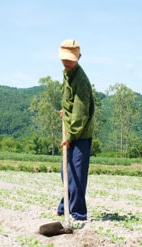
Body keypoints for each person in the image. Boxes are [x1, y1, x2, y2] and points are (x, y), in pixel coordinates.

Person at [56, 39, 95, 221]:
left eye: (70, 59)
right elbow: (71, 103)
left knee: (76, 174)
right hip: (72, 131)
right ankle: (66, 208)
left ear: (79, 57)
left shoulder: (80, 80)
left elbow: (80, 115)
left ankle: (78, 214)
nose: (67, 62)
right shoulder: (68, 74)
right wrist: (65, 109)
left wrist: (70, 137)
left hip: (80, 134)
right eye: (65, 59)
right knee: (67, 172)